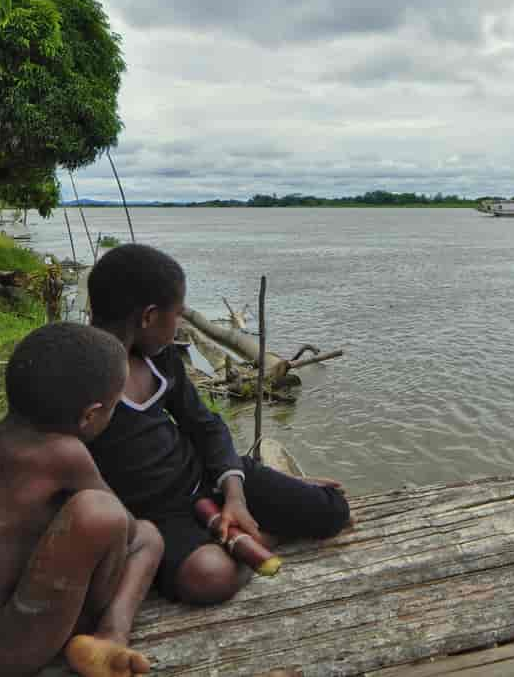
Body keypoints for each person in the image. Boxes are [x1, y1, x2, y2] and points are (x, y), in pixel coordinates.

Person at [86, 243, 351, 605]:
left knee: (332, 510)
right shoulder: (79, 376)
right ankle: (253, 538)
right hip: (156, 517)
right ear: (148, 317)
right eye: (176, 315)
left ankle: (242, 512)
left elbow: (205, 425)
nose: (178, 324)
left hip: (209, 479)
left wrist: (235, 494)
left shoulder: (160, 359)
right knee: (209, 578)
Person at [0, 322, 163, 677]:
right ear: (90, 415)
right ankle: (110, 635)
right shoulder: (63, 454)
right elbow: (124, 531)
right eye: (113, 408)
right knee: (135, 531)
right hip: (5, 658)